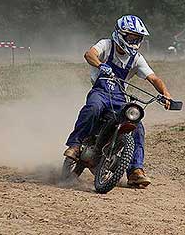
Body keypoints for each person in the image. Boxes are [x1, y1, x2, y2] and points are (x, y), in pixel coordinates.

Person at [64, 15, 173, 188]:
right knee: (93, 108)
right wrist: (100, 65)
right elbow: (89, 54)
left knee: (138, 126)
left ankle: (135, 171)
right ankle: (76, 144)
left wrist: (165, 93)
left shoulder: (136, 58)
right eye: (131, 37)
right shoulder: (106, 45)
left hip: (119, 98)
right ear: (120, 34)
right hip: (100, 92)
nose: (134, 41)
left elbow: (153, 78)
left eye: (137, 38)